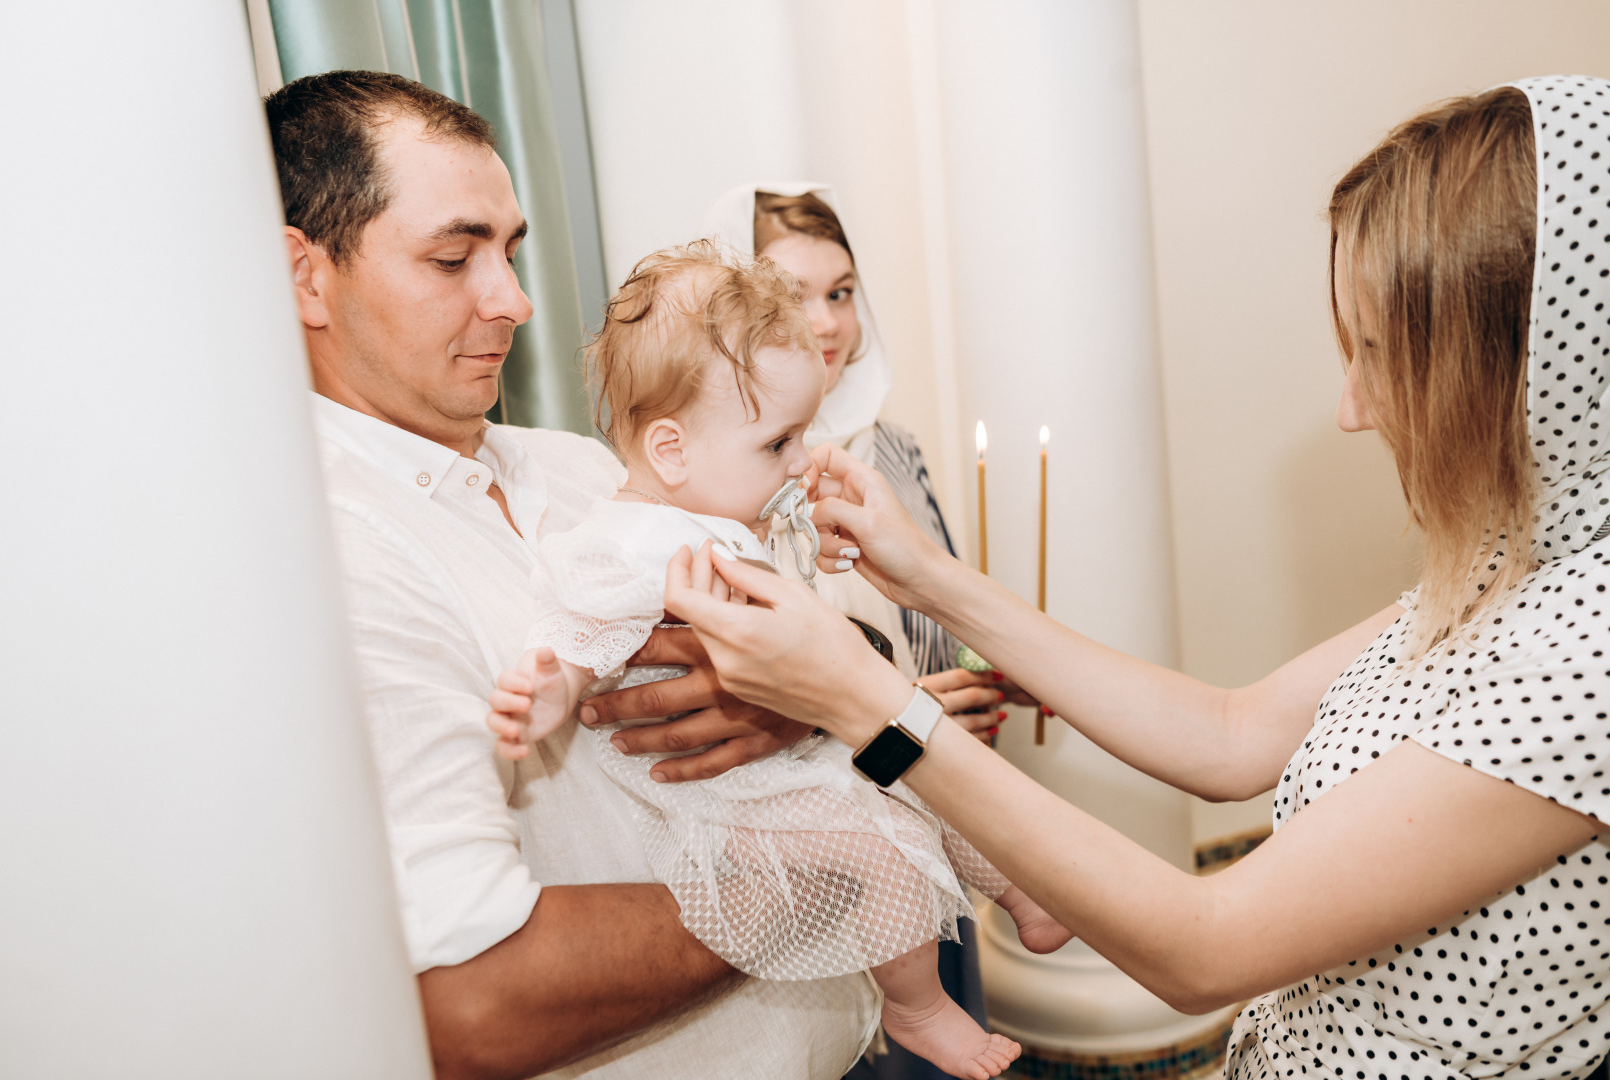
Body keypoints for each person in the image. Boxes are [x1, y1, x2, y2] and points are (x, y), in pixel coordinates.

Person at [657, 77, 1610, 1080]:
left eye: (1382, 356)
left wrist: (867, 705)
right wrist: (931, 580)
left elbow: (1209, 944)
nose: (1353, 407)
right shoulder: (1517, 564)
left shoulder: (1586, 642)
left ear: (1530, 365)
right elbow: (1233, 734)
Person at [265, 70, 878, 1080]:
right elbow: (474, 1003)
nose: (514, 301)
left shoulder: (581, 465)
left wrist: (797, 709)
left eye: (509, 251)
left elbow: (799, 637)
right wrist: (826, 872)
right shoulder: (333, 560)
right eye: (455, 256)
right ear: (306, 277)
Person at [486, 243, 1074, 1080]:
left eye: (804, 434)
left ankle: (1023, 896)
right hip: (721, 798)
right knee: (880, 849)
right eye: (778, 443)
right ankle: (917, 1006)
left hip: (791, 753)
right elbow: (580, 626)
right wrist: (551, 691)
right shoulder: (631, 540)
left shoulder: (714, 511)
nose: (799, 460)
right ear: (671, 450)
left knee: (926, 772)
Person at [703, 183, 1009, 1080]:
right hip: (833, 822)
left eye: (840, 292)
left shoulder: (890, 447)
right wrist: (901, 703)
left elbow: (939, 604)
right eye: (791, 295)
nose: (826, 322)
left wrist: (979, 678)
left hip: (935, 787)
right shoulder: (718, 473)